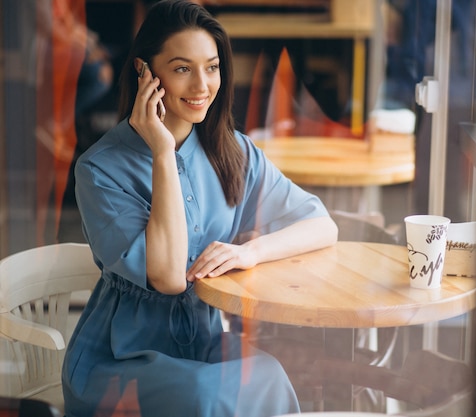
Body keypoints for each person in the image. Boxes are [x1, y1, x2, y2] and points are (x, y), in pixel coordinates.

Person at [61, 1, 338, 416]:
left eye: (211, 67)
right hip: (120, 361)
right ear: (145, 73)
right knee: (204, 396)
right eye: (182, 69)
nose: (201, 86)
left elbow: (321, 226)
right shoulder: (99, 170)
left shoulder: (233, 151)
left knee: (270, 376)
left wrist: (250, 251)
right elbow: (170, 277)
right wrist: (161, 151)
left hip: (202, 343)